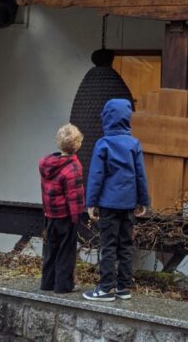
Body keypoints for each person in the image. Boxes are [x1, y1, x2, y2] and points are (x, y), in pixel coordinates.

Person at [83, 98, 149, 301]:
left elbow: (96, 176)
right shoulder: (133, 144)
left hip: (108, 204)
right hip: (128, 203)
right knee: (126, 244)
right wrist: (143, 201)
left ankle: (104, 289)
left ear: (107, 118)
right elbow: (140, 174)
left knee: (108, 245)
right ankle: (123, 287)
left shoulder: (103, 144)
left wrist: (90, 202)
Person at [38, 123, 85, 293]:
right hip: (66, 216)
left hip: (50, 214)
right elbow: (74, 196)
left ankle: (47, 282)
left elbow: (46, 190)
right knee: (66, 252)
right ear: (78, 144)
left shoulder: (46, 164)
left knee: (51, 249)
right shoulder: (73, 168)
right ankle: (63, 285)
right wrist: (76, 218)